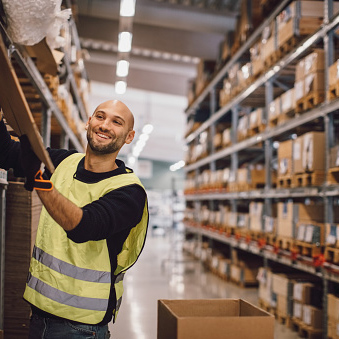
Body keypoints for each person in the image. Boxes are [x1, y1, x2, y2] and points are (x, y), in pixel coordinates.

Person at [0, 100, 149, 338]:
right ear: (89, 122)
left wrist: (39, 180)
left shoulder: (129, 191)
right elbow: (6, 153)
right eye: (100, 117)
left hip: (81, 327)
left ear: (129, 136)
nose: (105, 125)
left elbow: (84, 226)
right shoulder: (63, 162)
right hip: (39, 314)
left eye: (116, 122)